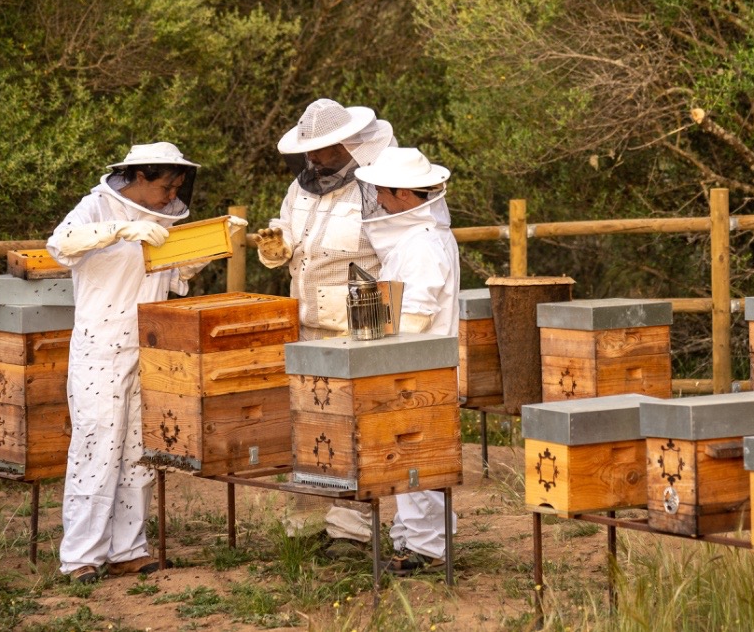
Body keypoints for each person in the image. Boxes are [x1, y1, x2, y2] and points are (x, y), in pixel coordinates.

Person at [47, 142, 223, 583]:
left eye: (177, 187)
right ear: (140, 177)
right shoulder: (94, 206)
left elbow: (174, 278)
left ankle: (128, 548)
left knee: (139, 450)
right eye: (166, 186)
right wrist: (118, 231)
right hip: (100, 345)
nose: (171, 195)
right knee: (96, 447)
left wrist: (205, 251)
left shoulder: (161, 218)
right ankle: (81, 557)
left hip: (149, 343)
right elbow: (60, 245)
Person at [255, 98, 396, 547]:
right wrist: (275, 246)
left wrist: (383, 329)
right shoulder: (300, 188)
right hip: (307, 322)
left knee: (354, 425)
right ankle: (310, 523)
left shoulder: (375, 189)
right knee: (310, 423)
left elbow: (395, 258)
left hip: (361, 322)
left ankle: (353, 530)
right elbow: (291, 236)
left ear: (347, 144)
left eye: (322, 150)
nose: (312, 158)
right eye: (308, 150)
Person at [355, 145, 460, 575]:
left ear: (402, 194)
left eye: (381, 191)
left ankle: (429, 548)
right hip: (410, 365)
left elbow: (415, 316)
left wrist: (373, 332)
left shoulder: (423, 246)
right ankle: (415, 539)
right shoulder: (417, 240)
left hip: (418, 368)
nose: (376, 199)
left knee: (415, 458)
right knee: (408, 458)